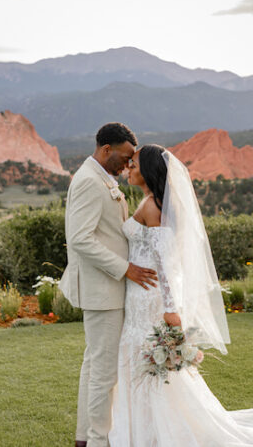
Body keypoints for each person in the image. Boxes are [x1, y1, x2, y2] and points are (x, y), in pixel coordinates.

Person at [109, 144, 253, 446]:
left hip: (149, 299)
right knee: (144, 365)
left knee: (149, 367)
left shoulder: (153, 206)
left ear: (149, 169)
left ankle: (152, 434)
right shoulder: (152, 202)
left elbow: (165, 262)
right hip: (139, 295)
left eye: (134, 164)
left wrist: (170, 308)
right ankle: (140, 431)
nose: (129, 169)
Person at [59, 123, 159, 447]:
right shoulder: (90, 181)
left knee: (95, 367)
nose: (129, 164)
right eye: (126, 157)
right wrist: (126, 268)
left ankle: (85, 438)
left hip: (108, 290)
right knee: (103, 373)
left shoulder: (102, 179)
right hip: (103, 290)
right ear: (106, 150)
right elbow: (79, 239)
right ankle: (98, 441)